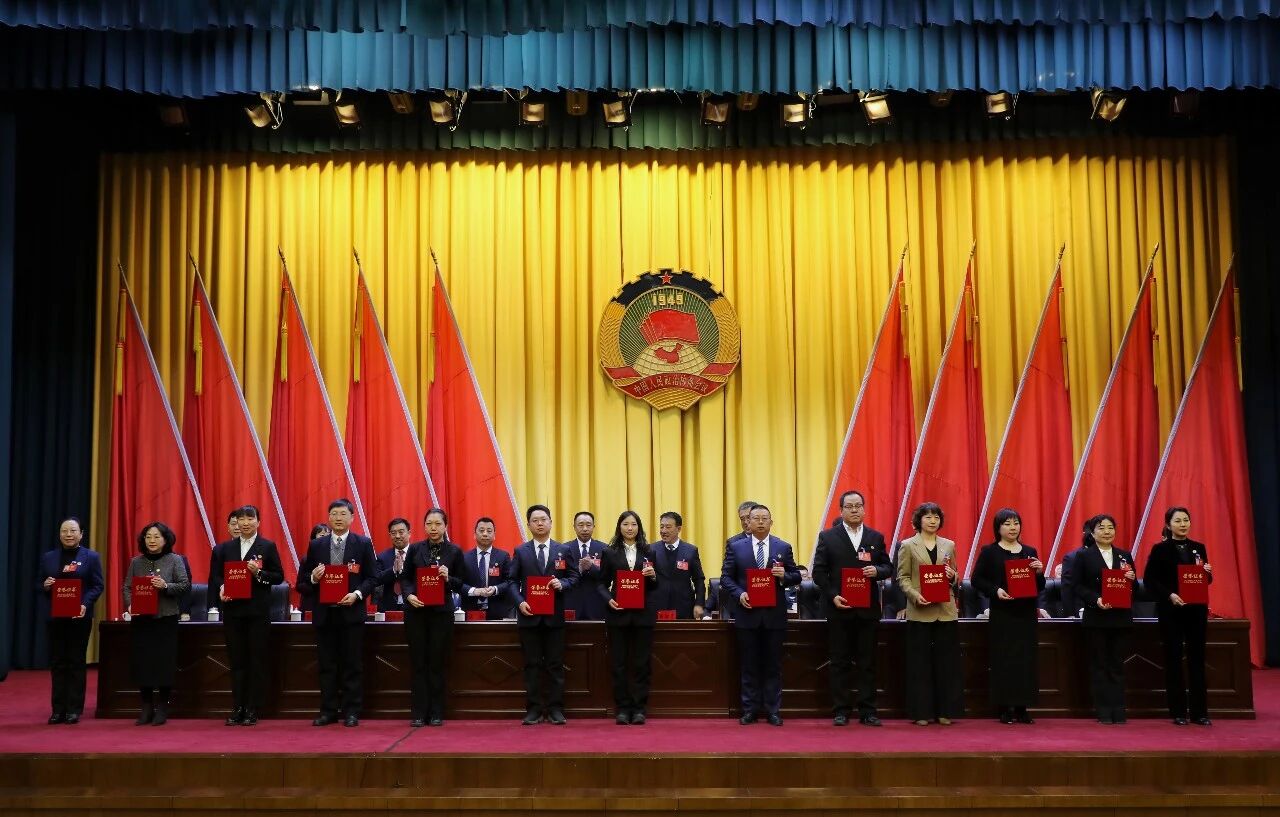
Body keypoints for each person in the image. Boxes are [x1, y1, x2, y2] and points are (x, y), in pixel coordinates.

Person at [811, 489, 892, 727]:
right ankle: (841, 710)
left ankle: (868, 711)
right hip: (839, 608)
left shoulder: (875, 537)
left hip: (867, 610)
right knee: (839, 661)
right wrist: (833, 596)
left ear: (864, 509)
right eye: (849, 506)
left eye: (858, 506)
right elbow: (818, 573)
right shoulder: (828, 537)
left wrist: (877, 571)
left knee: (868, 662)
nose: (855, 510)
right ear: (841, 510)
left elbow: (888, 567)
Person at [296, 499, 379, 727]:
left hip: (351, 613)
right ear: (329, 517)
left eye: (343, 514)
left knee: (352, 664)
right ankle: (328, 711)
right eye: (334, 514)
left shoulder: (363, 543)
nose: (338, 518)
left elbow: (373, 578)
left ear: (352, 518)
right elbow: (305, 581)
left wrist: (357, 594)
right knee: (327, 665)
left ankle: (352, 711)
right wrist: (314, 578)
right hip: (325, 615)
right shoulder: (316, 546)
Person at [720, 503, 801, 726]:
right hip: (747, 615)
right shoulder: (736, 547)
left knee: (773, 665)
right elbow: (726, 578)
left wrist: (784, 576)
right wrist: (740, 593)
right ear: (748, 522)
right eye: (756, 518)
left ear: (771, 522)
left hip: (774, 616)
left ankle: (773, 710)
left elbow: (796, 576)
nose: (760, 522)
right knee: (749, 664)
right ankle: (750, 709)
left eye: (765, 518)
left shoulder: (783, 547)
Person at [206, 504, 284, 725]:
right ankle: (238, 706)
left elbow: (278, 576)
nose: (246, 523)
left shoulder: (267, 547)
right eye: (241, 519)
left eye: (250, 519)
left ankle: (253, 708)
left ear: (258, 522)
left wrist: (258, 573)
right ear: (235, 523)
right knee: (237, 660)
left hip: (258, 612)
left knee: (256, 660)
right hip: (233, 612)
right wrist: (222, 588)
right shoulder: (223, 549)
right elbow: (215, 577)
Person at [970, 508, 1045, 725]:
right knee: (1004, 660)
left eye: (1016, 523)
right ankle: (1004, 708)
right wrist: (995, 590)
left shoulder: (1029, 551)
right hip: (1003, 614)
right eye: (1007, 524)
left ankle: (1022, 708)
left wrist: (1039, 573)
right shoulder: (989, 552)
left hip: (1026, 614)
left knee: (1025, 661)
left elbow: (1039, 586)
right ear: (998, 528)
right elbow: (976, 580)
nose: (1013, 528)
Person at [508, 504, 580, 725]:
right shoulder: (521, 551)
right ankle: (534, 709)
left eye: (543, 520)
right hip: (529, 617)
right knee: (532, 665)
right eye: (535, 520)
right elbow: (511, 581)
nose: (539, 524)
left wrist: (563, 583)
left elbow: (574, 576)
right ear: (529, 525)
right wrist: (520, 602)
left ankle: (556, 709)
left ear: (550, 522)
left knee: (555, 665)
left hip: (554, 619)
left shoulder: (563, 550)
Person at [1142, 506, 1213, 726]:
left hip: (1196, 611)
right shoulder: (1160, 549)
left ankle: (1200, 712)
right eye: (1178, 521)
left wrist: (1208, 573)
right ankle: (1178, 712)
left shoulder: (1198, 548)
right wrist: (1169, 595)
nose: (1183, 524)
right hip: (1171, 611)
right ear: (1168, 524)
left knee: (1197, 660)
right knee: (1173, 659)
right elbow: (1150, 580)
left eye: (1186, 520)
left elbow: (1205, 581)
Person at [895, 502, 963, 726]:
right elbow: (903, 577)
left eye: (936, 517)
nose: (933, 521)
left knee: (947, 664)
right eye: (928, 517)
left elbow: (956, 577)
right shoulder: (907, 545)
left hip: (945, 610)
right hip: (920, 610)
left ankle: (945, 711)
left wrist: (953, 575)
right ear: (919, 520)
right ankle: (921, 712)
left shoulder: (949, 545)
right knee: (920, 664)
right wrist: (914, 595)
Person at [399, 508, 466, 726]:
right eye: (429, 524)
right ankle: (419, 713)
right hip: (416, 613)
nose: (433, 528)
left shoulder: (454, 551)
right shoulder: (414, 549)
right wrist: (409, 595)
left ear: (445, 526)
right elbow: (405, 578)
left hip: (441, 614)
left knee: (437, 662)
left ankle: (437, 712)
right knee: (418, 662)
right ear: (424, 526)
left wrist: (448, 578)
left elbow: (461, 583)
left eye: (438, 524)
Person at [1068, 513, 1136, 724]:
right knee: (1099, 664)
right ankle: (1104, 710)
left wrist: (1132, 579)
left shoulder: (1124, 555)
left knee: (1117, 664)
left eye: (1110, 527)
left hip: (1120, 617)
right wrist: (1095, 599)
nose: (1107, 532)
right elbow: (1076, 586)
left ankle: (1119, 709)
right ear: (1092, 532)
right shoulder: (1083, 556)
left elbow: (1133, 589)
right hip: (1096, 617)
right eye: (1101, 528)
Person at [123, 522, 191, 726]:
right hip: (142, 619)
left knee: (163, 663)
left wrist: (166, 586)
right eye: (148, 537)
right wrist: (130, 604)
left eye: (156, 536)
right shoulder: (136, 562)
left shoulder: (175, 560)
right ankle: (146, 706)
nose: (152, 540)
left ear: (165, 539)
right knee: (143, 662)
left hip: (166, 618)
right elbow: (127, 587)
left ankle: (162, 706)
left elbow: (185, 585)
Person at [38, 517, 104, 725]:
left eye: (73, 531)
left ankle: (74, 709)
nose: (68, 534)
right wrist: (45, 585)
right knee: (58, 662)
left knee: (76, 661)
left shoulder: (91, 557)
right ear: (59, 534)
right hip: (55, 617)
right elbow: (38, 584)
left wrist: (85, 603)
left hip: (79, 617)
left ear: (81, 534)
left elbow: (97, 585)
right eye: (64, 531)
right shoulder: (49, 557)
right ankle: (58, 709)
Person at [597, 511, 659, 724]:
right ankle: (622, 708)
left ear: (639, 527)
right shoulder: (609, 552)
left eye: (634, 524)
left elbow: (655, 586)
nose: (630, 528)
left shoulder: (649, 551)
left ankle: (639, 708)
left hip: (643, 616)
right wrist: (608, 600)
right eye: (625, 524)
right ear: (619, 527)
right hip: (618, 614)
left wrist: (653, 576)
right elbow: (601, 583)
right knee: (619, 664)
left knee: (642, 663)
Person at [650, 511, 706, 619]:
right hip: (657, 607)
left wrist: (699, 604)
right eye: (661, 527)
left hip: (684, 607)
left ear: (678, 529)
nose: (663, 531)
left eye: (668, 527)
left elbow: (699, 580)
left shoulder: (690, 551)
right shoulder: (651, 549)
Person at [460, 517, 513, 620]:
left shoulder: (503, 556)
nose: (485, 534)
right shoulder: (464, 557)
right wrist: (474, 591)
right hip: (471, 611)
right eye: (481, 530)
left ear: (494, 535)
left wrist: (495, 589)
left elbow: (510, 581)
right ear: (474, 534)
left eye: (489, 531)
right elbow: (458, 583)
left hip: (497, 612)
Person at [563, 511, 606, 621]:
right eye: (581, 525)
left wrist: (592, 567)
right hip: (571, 603)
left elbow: (607, 577)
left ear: (594, 527)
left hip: (596, 604)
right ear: (574, 527)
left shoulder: (604, 549)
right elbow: (562, 576)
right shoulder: (564, 549)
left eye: (588, 525)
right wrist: (579, 569)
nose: (585, 529)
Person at [375, 518, 413, 615]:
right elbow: (375, 579)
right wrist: (393, 570)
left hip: (413, 606)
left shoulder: (417, 554)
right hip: (388, 607)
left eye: (401, 532)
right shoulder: (382, 557)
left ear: (409, 533)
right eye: (393, 533)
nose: (397, 536)